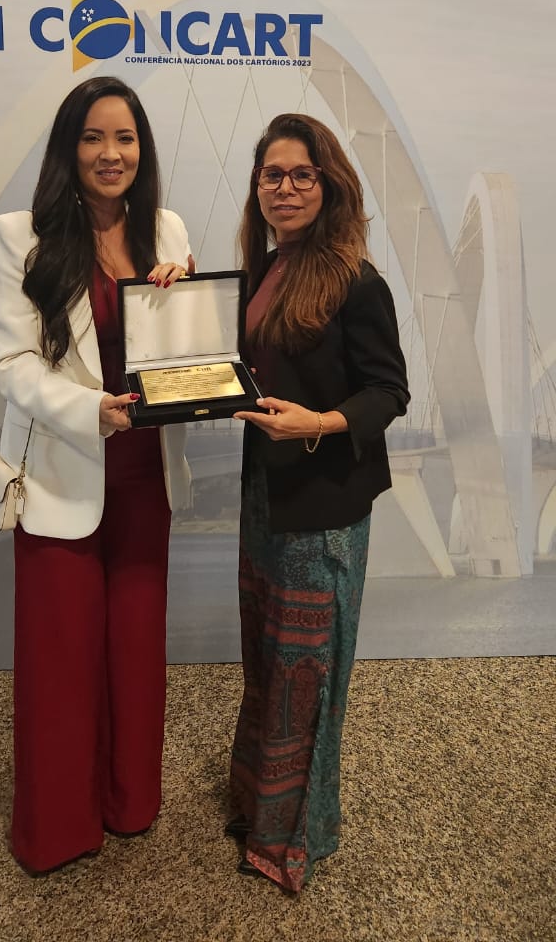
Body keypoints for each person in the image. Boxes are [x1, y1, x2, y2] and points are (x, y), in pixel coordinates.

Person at [0, 76, 193, 874]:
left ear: (142, 150)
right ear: (69, 148)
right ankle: (60, 829)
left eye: (127, 138)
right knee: (61, 660)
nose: (112, 154)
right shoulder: (21, 235)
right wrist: (87, 410)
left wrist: (189, 313)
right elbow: (8, 362)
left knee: (137, 650)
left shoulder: (165, 230)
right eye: (94, 138)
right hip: (63, 471)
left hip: (146, 475)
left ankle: (129, 804)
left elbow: (181, 356)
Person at [227, 112, 409, 892]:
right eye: (273, 174)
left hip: (326, 505)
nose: (287, 188)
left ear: (330, 185)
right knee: (270, 663)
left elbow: (388, 391)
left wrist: (323, 423)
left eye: (303, 174)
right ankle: (256, 810)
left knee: (311, 674)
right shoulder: (263, 269)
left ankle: (295, 836)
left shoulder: (357, 280)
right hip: (268, 500)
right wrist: (171, 293)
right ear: (258, 187)